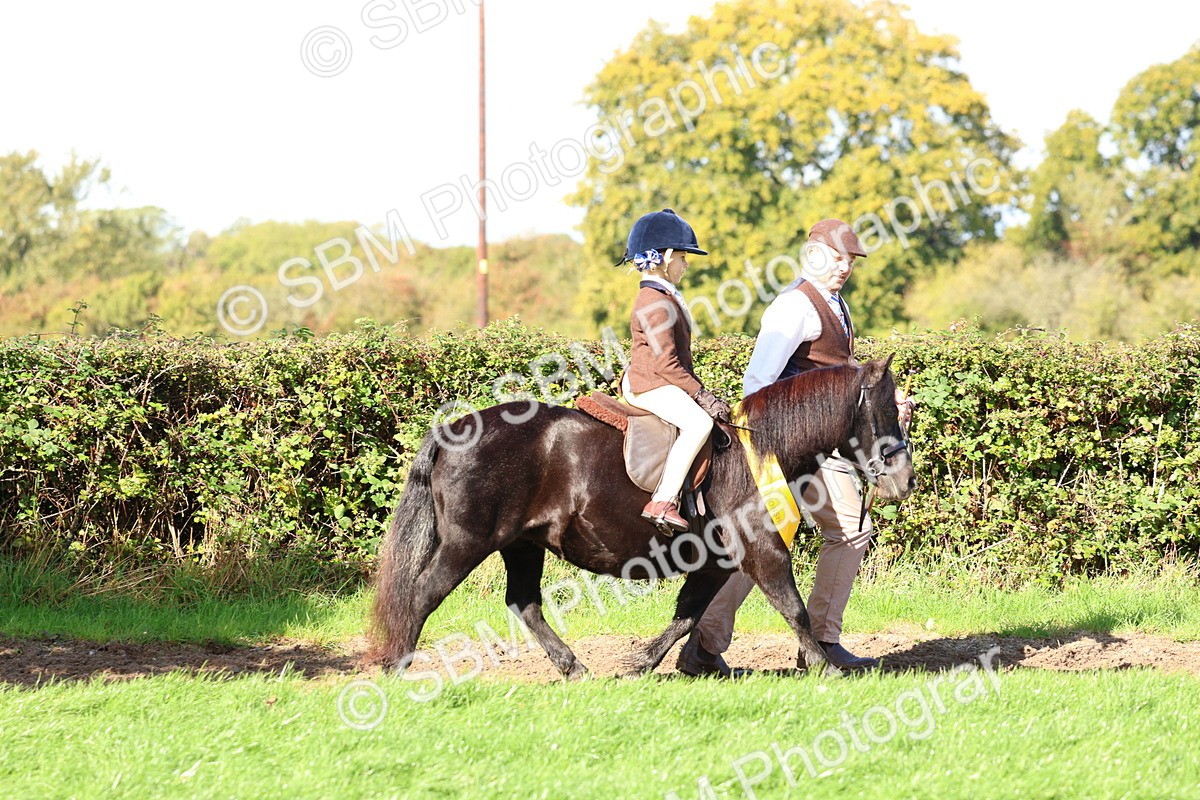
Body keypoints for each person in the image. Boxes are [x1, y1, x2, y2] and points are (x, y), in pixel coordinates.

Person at [676, 218, 914, 675]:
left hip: (824, 449)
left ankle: (717, 646)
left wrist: (886, 403)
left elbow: (839, 375)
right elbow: (758, 384)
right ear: (812, 255)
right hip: (784, 449)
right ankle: (811, 643)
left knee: (769, 543)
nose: (845, 267)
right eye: (838, 257)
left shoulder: (835, 305)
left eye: (850, 260)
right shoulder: (793, 308)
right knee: (787, 539)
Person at [618, 208, 731, 533]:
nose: (686, 264)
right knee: (698, 423)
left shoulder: (661, 294)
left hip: (656, 377)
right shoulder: (655, 301)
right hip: (651, 383)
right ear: (666, 257)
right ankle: (663, 501)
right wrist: (702, 396)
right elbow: (668, 364)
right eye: (683, 256)